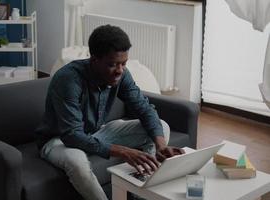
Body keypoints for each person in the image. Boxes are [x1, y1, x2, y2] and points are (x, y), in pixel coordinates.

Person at [37, 24, 185, 200]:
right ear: (94, 60)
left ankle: (140, 188)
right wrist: (124, 152)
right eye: (112, 64)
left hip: (97, 132)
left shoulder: (122, 74)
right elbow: (72, 135)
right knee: (77, 163)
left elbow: (145, 110)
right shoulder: (68, 80)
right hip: (60, 141)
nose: (119, 71)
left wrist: (161, 146)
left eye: (123, 63)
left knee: (161, 127)